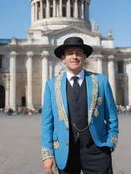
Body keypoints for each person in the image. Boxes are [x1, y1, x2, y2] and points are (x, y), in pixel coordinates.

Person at [41, 37, 119, 174]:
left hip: (97, 150)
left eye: (78, 53)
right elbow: (47, 123)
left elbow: (112, 116)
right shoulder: (51, 85)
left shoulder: (101, 81)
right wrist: (47, 154)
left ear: (84, 57)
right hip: (65, 152)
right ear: (63, 58)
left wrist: (109, 143)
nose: (74, 57)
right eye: (70, 53)